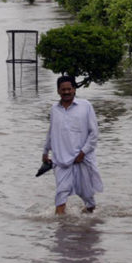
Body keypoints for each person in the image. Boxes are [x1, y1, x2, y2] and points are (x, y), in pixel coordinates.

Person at [42, 75, 103, 215]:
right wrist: (45, 152)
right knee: (61, 193)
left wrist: (83, 152)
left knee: (88, 197)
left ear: (74, 90)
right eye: (63, 89)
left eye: (69, 89)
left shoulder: (85, 106)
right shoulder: (54, 109)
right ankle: (61, 231)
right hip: (61, 160)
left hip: (82, 159)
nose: (66, 92)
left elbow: (94, 133)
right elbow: (51, 132)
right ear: (58, 91)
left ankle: (86, 226)